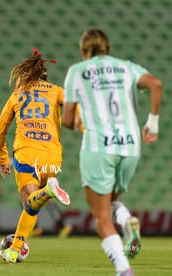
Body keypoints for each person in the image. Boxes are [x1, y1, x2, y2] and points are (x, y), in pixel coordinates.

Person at [63, 28, 162, 276]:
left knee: (101, 217)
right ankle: (127, 220)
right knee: (110, 203)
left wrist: (75, 121)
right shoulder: (126, 67)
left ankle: (123, 269)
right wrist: (152, 123)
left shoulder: (77, 71)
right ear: (108, 49)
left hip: (99, 147)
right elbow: (156, 84)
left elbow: (67, 120)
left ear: (84, 51)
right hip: (130, 147)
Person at [0, 48, 71, 264]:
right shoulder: (56, 91)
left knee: (29, 203)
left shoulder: (17, 94)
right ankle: (14, 250)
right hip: (53, 158)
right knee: (33, 206)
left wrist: (2, 157)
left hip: (27, 154)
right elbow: (76, 106)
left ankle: (47, 191)